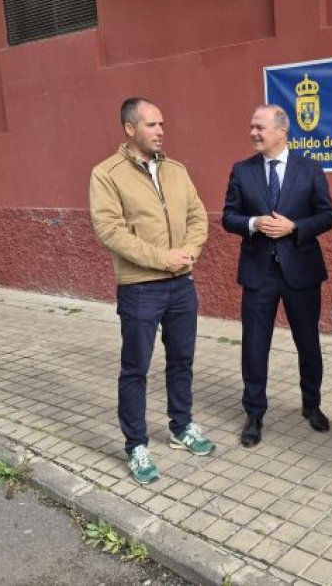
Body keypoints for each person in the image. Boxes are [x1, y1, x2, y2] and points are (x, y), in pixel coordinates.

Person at [89, 97, 214, 485]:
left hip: (181, 284)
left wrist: (189, 252)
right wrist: (164, 259)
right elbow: (110, 231)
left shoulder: (176, 170)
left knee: (182, 360)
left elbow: (197, 215)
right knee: (135, 369)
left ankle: (181, 426)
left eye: (162, 124)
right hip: (140, 288)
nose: (161, 131)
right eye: (152, 125)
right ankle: (136, 445)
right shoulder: (106, 174)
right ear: (130, 129)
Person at [222, 104, 332, 447]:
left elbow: (326, 215)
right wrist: (253, 223)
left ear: (282, 131)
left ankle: (312, 404)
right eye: (251, 127)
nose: (253, 133)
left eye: (260, 127)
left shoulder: (310, 168)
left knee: (308, 342)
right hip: (259, 273)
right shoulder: (242, 170)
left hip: (301, 271)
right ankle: (254, 413)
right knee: (255, 345)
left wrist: (294, 227)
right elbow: (229, 217)